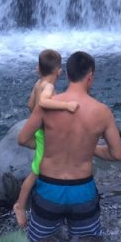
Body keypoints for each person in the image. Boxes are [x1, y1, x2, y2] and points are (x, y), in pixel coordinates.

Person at [17, 51, 121, 242]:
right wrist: (90, 148)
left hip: (49, 189)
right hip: (82, 190)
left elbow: (22, 139)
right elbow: (116, 154)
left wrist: (48, 145)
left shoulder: (48, 105)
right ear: (90, 76)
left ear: (66, 74)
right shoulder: (102, 112)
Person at [12, 49, 80, 228]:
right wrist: (66, 105)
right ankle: (20, 206)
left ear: (39, 69)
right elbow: (43, 102)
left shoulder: (38, 83)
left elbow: (30, 104)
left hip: (40, 132)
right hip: (45, 134)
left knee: (44, 165)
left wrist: (37, 120)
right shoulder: (48, 87)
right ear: (59, 71)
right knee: (36, 172)